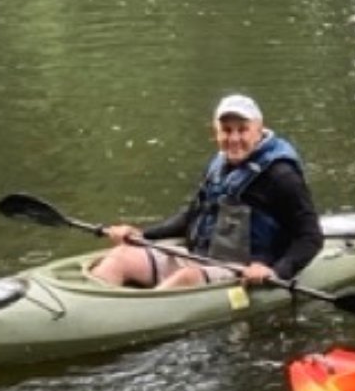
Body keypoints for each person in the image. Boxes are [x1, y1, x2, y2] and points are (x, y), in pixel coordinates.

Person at [92, 93, 324, 290]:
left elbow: (310, 237)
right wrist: (142, 236)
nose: (233, 139)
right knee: (121, 255)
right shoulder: (219, 165)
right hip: (200, 257)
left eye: (242, 130)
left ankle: (130, 316)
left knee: (187, 278)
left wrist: (276, 272)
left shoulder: (281, 176)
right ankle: (91, 310)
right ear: (216, 131)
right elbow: (192, 215)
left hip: (243, 269)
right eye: (226, 130)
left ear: (259, 130)